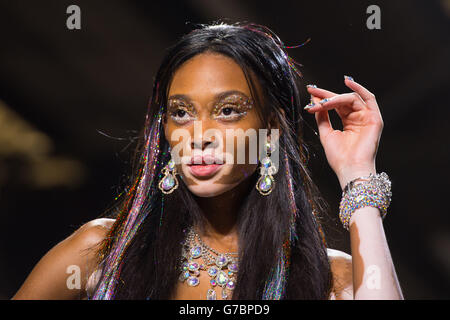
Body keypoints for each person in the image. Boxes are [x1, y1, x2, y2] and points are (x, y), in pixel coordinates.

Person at [12, 21, 403, 300]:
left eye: (229, 110)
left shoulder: (330, 280)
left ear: (270, 129)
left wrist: (357, 173)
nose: (199, 133)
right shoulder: (101, 253)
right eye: (181, 112)